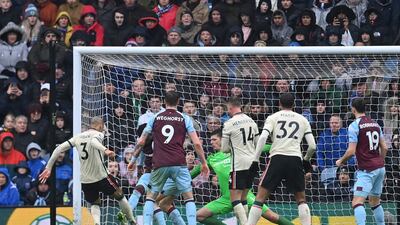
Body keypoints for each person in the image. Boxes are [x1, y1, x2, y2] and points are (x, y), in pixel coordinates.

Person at [158, 129, 294, 225]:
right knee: (199, 215)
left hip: (244, 196)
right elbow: (192, 174)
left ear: (223, 139)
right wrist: (172, 181)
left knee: (271, 216)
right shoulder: (211, 159)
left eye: (214, 139)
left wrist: (280, 146)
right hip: (226, 199)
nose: (211, 142)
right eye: (210, 140)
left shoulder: (240, 150)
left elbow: (263, 148)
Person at [128, 91, 209, 225]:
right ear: (178, 102)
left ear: (164, 102)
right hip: (179, 163)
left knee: (151, 198)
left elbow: (141, 141)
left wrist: (132, 161)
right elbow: (196, 143)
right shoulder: (184, 118)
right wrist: (204, 163)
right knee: (188, 198)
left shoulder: (155, 117)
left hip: (160, 163)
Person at [39, 117, 136, 225]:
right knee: (120, 196)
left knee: (95, 203)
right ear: (100, 126)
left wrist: (48, 167)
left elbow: (59, 148)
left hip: (86, 180)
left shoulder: (77, 137)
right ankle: (132, 221)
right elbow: (93, 142)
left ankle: (96, 223)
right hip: (101, 176)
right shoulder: (98, 134)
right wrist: (105, 150)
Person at [246, 93, 316, 225]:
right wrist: (306, 160)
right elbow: (312, 146)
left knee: (259, 198)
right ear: (294, 104)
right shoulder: (302, 119)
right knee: (301, 199)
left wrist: (255, 160)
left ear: (279, 104)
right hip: (295, 158)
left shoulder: (273, 117)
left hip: (277, 158)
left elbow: (262, 138)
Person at [336, 98, 388, 225]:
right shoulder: (375, 124)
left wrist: (341, 161)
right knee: (375, 202)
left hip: (367, 170)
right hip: (380, 168)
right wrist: (379, 161)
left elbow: (351, 151)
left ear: (353, 109)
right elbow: (385, 147)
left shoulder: (354, 126)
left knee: (357, 201)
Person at [220, 97, 259, 225]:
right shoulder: (252, 121)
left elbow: (224, 149)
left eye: (227, 109)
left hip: (238, 164)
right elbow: (258, 144)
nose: (228, 111)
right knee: (244, 198)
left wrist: (233, 147)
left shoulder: (229, 123)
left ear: (230, 108)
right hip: (253, 163)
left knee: (235, 199)